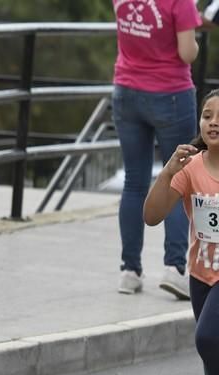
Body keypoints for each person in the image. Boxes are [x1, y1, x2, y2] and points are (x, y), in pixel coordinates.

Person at [143, 88, 219, 375]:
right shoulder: (189, 168)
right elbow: (152, 215)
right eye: (207, 115)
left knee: (207, 337)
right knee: (212, 349)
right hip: (200, 274)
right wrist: (168, 170)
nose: (214, 122)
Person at [112, 0, 202, 299]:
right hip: (171, 93)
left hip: (126, 89)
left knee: (134, 182)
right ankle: (174, 269)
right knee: (178, 178)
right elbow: (187, 53)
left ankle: (129, 270)